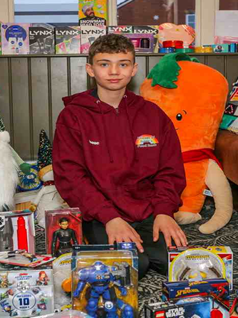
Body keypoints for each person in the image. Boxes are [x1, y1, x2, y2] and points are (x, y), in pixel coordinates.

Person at [53, 34, 187, 279]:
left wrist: (164, 211)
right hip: (100, 214)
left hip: (147, 210)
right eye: (104, 64)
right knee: (135, 266)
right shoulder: (73, 116)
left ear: (134, 69)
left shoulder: (152, 114)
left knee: (179, 266)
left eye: (123, 64)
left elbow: (170, 169)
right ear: (90, 70)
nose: (114, 71)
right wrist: (109, 217)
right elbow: (71, 177)